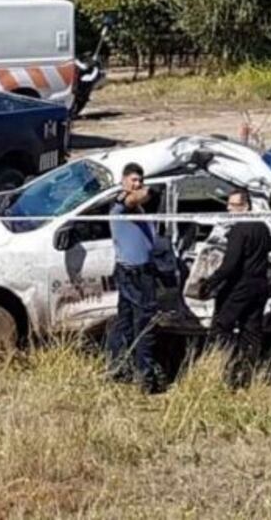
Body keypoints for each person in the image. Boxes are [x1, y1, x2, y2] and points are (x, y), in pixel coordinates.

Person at [199, 188, 271, 389]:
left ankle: (228, 369)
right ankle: (246, 375)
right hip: (260, 285)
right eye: (229, 204)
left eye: (234, 205)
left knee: (221, 327)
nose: (228, 208)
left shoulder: (238, 230)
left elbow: (230, 265)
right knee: (251, 330)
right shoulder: (262, 228)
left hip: (241, 286)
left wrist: (210, 283)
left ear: (246, 206)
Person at [106, 162, 164, 393]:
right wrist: (149, 191)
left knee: (126, 324)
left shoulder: (137, 209)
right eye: (133, 180)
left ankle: (121, 369)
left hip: (138, 271)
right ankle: (145, 379)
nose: (137, 184)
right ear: (123, 181)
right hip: (134, 274)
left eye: (140, 180)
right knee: (144, 326)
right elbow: (134, 199)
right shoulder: (122, 205)